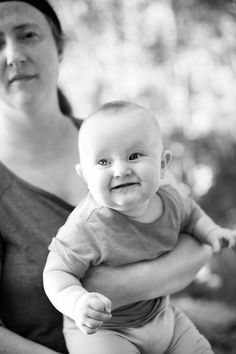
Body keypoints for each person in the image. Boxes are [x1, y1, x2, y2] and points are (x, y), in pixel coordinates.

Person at [0, 1, 212, 353]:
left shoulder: (120, 136)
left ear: (59, 45)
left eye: (28, 34)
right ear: (84, 174)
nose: (14, 54)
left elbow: (198, 243)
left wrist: (106, 286)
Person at [43, 101, 236, 354]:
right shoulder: (86, 226)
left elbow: (192, 215)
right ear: (85, 177)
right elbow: (55, 272)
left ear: (163, 164)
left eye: (134, 156)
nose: (121, 170)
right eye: (103, 162)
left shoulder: (171, 201)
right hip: (103, 331)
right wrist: (77, 302)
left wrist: (211, 232)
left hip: (162, 317)